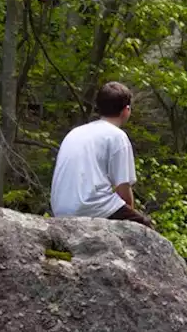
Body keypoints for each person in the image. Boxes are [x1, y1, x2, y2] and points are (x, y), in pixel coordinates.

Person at [50, 82, 152, 226]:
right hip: (90, 208)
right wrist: (131, 222)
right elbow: (123, 190)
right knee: (146, 228)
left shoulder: (76, 132)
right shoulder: (117, 136)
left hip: (60, 210)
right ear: (126, 110)